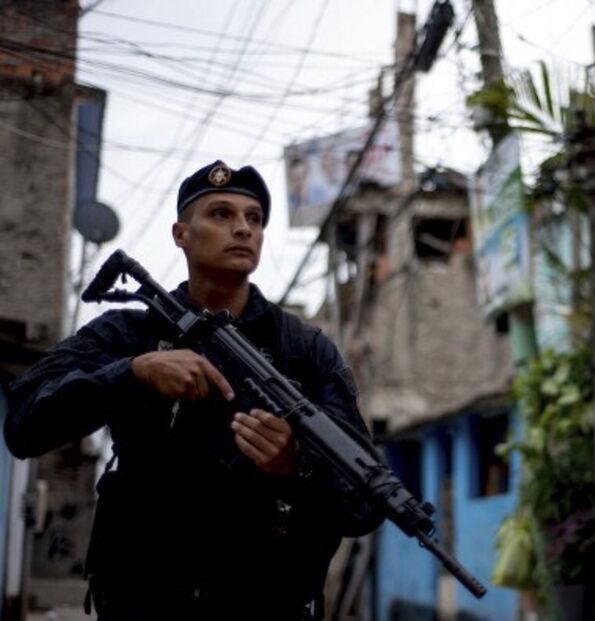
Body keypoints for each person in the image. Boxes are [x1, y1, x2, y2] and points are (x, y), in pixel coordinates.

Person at [4, 161, 382, 620]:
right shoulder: (128, 334)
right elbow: (23, 424)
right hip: (145, 604)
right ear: (180, 233)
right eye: (221, 214)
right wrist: (131, 373)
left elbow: (365, 504)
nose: (242, 228)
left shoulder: (303, 350)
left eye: (254, 218)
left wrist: (296, 462)